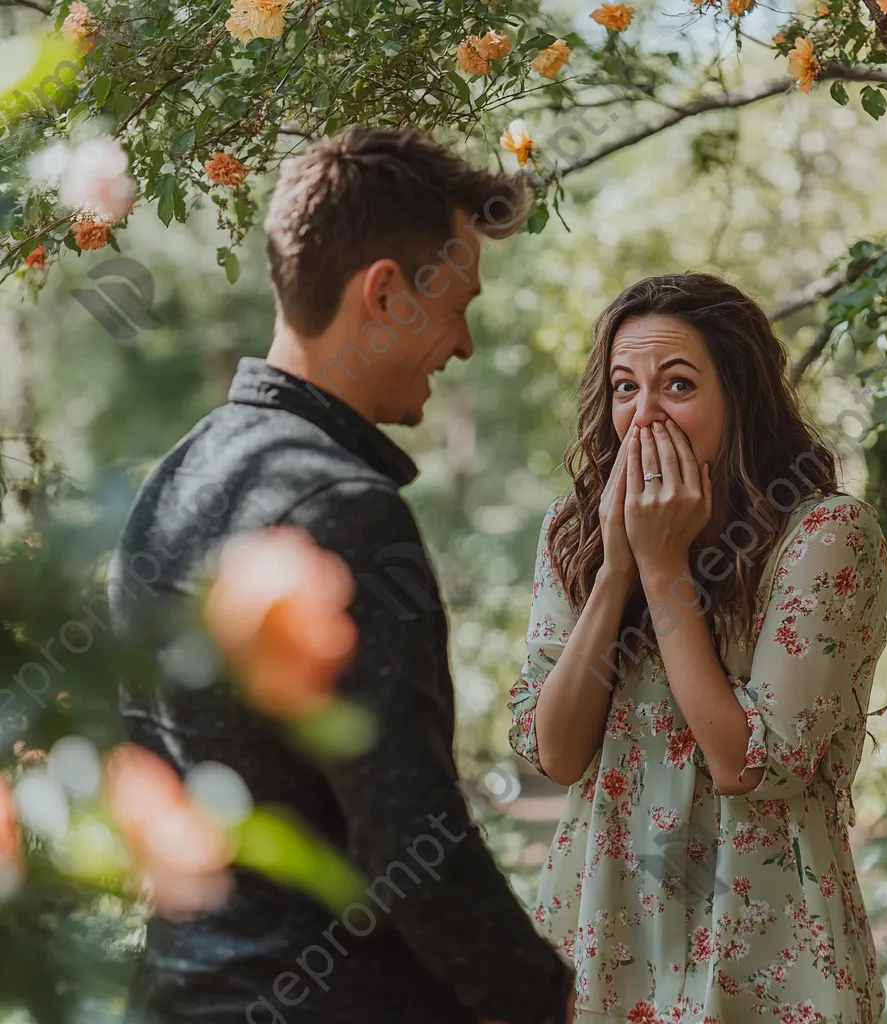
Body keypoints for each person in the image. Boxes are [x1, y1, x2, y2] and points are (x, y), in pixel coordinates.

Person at [109, 126, 575, 1024]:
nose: (465, 345)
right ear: (387, 292)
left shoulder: (175, 476)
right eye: (458, 305)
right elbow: (409, 835)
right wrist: (543, 999)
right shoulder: (343, 509)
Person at [508, 273, 887, 1023]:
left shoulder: (825, 538)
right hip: (604, 932)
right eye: (625, 388)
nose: (644, 416)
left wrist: (662, 568)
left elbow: (751, 760)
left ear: (739, 396)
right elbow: (554, 751)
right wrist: (619, 569)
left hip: (768, 942)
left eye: (677, 385)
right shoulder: (573, 536)